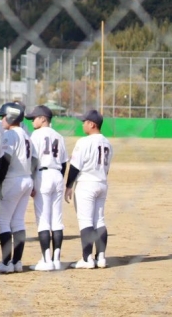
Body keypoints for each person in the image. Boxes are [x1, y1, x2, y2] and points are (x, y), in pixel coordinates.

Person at [65, 109, 113, 269]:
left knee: (85, 221)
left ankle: (87, 259)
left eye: (84, 122)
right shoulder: (107, 143)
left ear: (92, 124)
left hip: (86, 183)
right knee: (99, 220)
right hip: (102, 182)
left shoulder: (84, 142)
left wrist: (68, 186)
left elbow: (75, 166)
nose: (83, 125)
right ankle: (101, 257)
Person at [0, 102, 35, 274]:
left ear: (10, 118)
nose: (1, 119)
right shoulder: (26, 134)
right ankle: (17, 261)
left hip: (13, 180)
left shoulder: (10, 134)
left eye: (3, 116)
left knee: (2, 221)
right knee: (17, 221)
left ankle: (6, 262)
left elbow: (5, 161)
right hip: (26, 178)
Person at [26, 105, 67, 271]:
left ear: (43, 119)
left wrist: (31, 181)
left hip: (42, 175)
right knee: (57, 220)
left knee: (43, 220)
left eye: (34, 118)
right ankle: (56, 259)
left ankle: (46, 259)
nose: (32, 121)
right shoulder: (59, 136)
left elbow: (33, 161)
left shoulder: (36, 135)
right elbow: (64, 162)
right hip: (57, 174)